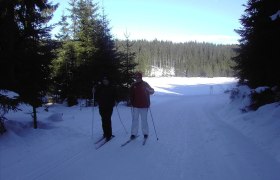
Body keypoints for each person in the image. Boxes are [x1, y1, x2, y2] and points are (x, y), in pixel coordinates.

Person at [130, 71, 154, 140]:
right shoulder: (133, 85)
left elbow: (152, 91)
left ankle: (145, 133)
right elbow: (131, 95)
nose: (137, 79)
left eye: (138, 77)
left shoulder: (145, 84)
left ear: (141, 77)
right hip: (135, 106)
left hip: (144, 106)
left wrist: (148, 90)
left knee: (144, 120)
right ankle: (133, 134)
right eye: (136, 77)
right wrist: (131, 102)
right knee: (135, 120)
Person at [92, 76, 116, 141]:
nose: (104, 81)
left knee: (107, 119)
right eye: (104, 80)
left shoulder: (111, 87)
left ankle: (109, 134)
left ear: (108, 81)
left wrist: (114, 102)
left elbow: (114, 96)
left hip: (109, 106)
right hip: (101, 106)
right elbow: (96, 94)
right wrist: (94, 91)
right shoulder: (100, 87)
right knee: (103, 120)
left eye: (106, 80)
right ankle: (105, 133)